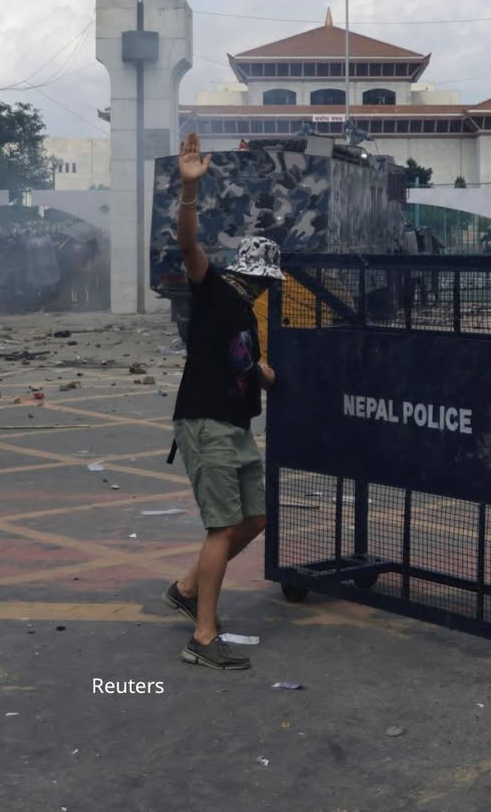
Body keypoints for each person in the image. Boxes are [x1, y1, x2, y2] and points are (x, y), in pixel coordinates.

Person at [163, 131, 280, 671]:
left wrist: (262, 374)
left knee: (254, 519)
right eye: (264, 280)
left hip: (235, 425)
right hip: (206, 422)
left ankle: (189, 587)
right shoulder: (213, 290)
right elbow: (189, 246)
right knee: (221, 527)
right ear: (250, 274)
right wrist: (190, 190)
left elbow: (240, 362)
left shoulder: (246, 315)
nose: (267, 288)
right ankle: (203, 637)